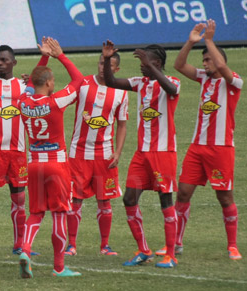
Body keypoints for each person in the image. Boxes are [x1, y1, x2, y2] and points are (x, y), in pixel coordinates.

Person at [163, 19, 242, 260]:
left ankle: (232, 245)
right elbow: (179, 65)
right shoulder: (204, 78)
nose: (205, 64)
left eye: (208, 60)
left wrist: (209, 39)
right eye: (204, 60)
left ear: (219, 60)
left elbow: (221, 65)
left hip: (221, 149)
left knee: (224, 196)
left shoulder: (233, 82)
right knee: (183, 193)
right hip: (197, 148)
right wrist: (191, 41)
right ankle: (176, 243)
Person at [103, 40, 181, 268]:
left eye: (145, 61)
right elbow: (110, 81)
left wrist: (151, 66)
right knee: (129, 198)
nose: (141, 65)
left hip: (163, 153)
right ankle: (144, 249)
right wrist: (107, 59)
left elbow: (172, 89)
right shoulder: (140, 83)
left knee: (165, 200)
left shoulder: (172, 82)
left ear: (157, 62)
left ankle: (170, 254)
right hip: (142, 154)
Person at [18, 38, 82, 278]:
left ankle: (25, 249)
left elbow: (31, 84)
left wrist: (44, 57)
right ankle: (59, 267)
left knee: (35, 212)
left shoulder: (23, 102)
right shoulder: (56, 101)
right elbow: (78, 80)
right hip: (56, 164)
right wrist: (61, 55)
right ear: (48, 82)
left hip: (33, 164)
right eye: (53, 80)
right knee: (59, 213)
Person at [0, 44, 47, 256]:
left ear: (14, 63)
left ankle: (19, 244)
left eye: (4, 60)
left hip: (17, 153)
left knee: (19, 200)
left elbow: (39, 77)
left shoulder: (23, 85)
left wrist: (44, 57)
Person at [65, 52, 128, 256]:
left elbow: (122, 125)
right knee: (75, 199)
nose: (103, 67)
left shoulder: (121, 92)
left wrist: (117, 152)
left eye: (108, 65)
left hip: (105, 155)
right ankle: (71, 245)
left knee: (104, 200)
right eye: (101, 63)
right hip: (79, 153)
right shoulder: (82, 83)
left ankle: (105, 246)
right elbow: (61, 99)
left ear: (116, 70)